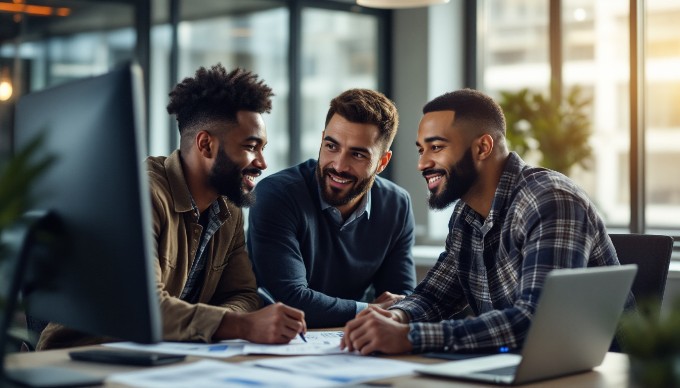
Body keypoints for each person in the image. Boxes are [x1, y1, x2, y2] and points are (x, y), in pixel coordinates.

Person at [340, 88, 628, 355]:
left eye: (436, 147)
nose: (422, 163)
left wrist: (410, 336)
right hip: (518, 367)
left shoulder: (550, 200)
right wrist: (395, 316)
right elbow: (435, 296)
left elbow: (537, 321)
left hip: (597, 372)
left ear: (482, 147)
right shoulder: (466, 216)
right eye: (421, 150)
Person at [37, 64, 306, 350]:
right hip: (80, 357)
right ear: (206, 145)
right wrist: (242, 325)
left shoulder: (229, 211)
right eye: (252, 146)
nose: (262, 163)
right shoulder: (143, 195)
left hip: (164, 357)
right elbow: (143, 307)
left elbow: (243, 294)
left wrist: (220, 323)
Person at [247, 88, 417, 328]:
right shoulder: (276, 195)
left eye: (357, 154)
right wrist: (371, 311)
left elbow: (400, 299)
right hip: (273, 340)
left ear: (382, 162)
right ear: (322, 140)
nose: (339, 165)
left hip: (346, 341)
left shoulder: (397, 205)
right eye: (332, 146)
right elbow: (291, 300)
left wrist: (387, 309)